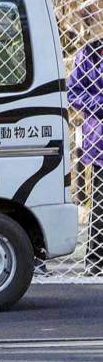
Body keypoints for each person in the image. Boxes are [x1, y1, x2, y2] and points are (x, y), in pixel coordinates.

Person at [67, 32, 103, 275]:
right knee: (100, 204)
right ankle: (96, 261)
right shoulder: (90, 54)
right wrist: (99, 103)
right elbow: (72, 93)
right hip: (100, 140)